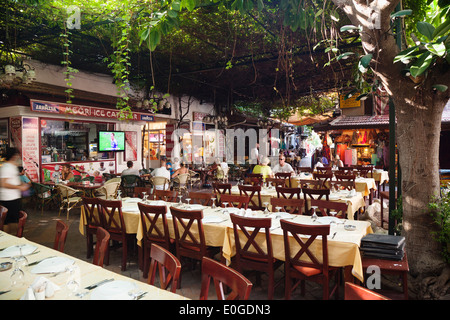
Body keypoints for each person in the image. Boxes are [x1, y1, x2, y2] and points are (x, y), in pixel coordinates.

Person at [0, 148, 30, 234]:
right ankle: (11, 238)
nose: (19, 157)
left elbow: (15, 179)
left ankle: (12, 237)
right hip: (9, 198)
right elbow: (3, 184)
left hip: (13, 198)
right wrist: (19, 187)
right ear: (14, 156)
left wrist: (22, 184)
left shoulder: (12, 167)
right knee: (10, 222)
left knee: (11, 220)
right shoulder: (6, 167)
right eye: (17, 155)